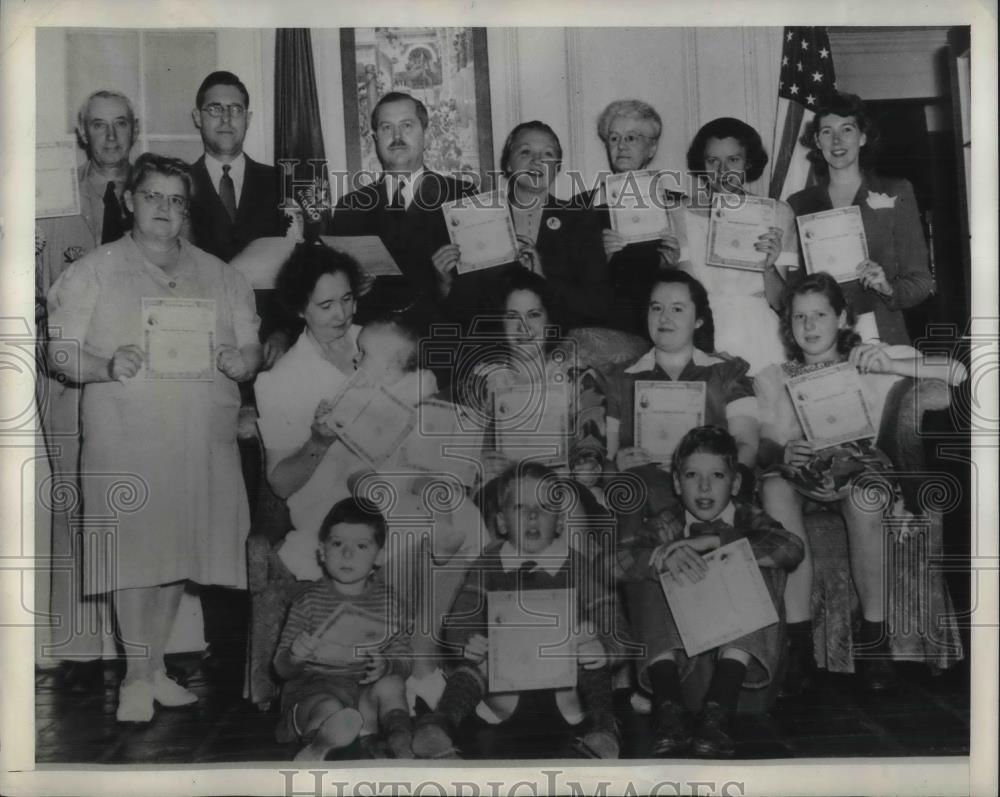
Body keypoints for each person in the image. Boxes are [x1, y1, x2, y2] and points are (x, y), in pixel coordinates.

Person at [45, 152, 262, 722]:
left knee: (180, 551)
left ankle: (155, 668)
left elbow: (251, 345)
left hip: (199, 435)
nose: (164, 209)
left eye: (175, 200)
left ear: (186, 208)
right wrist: (105, 364)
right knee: (133, 555)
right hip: (128, 434)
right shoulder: (94, 269)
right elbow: (60, 350)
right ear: (132, 201)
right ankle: (137, 678)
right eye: (153, 197)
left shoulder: (220, 273)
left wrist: (242, 363)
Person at [754, 272, 966, 694]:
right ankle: (798, 646)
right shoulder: (776, 377)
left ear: (841, 318)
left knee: (868, 496)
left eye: (820, 315)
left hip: (858, 474)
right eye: (799, 317)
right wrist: (781, 452)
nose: (810, 326)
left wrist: (893, 364)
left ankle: (875, 640)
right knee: (775, 488)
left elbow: (958, 372)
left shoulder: (865, 359)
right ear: (789, 325)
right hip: (804, 478)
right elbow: (759, 440)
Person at [410, 462, 631, 760]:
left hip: (566, 696)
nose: (532, 516)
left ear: (561, 521)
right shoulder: (489, 562)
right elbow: (462, 614)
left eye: (544, 507)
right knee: (475, 664)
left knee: (589, 644)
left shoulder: (576, 564)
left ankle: (602, 728)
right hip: (503, 695)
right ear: (501, 522)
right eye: (519, 507)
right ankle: (442, 723)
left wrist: (605, 648)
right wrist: (468, 641)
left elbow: (611, 617)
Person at [35, 89, 138, 688]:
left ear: (134, 130)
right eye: (98, 126)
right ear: (82, 133)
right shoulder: (51, 202)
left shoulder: (151, 192)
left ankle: (144, 639)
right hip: (71, 374)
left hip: (135, 373)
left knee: (134, 497)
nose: (109, 136)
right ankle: (79, 640)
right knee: (74, 499)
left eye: (120, 124)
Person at [255, 248, 438, 581]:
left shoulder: (377, 339)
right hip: (333, 505)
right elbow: (280, 484)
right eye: (326, 306)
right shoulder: (280, 380)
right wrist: (318, 441)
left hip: (398, 483)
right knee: (411, 540)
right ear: (300, 308)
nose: (341, 314)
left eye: (348, 299)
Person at [187, 71, 287, 674]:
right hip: (199, 365)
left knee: (265, 498)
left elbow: (301, 269)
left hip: (270, 361)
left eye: (236, 109)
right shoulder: (177, 186)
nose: (226, 119)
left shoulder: (280, 183)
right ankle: (225, 649)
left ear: (249, 117)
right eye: (214, 109)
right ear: (198, 117)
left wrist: (280, 333)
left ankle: (269, 643)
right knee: (214, 501)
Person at [622, 425, 803, 757]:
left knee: (752, 558)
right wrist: (661, 558)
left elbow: (792, 549)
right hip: (680, 680)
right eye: (692, 475)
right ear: (677, 483)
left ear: (734, 484)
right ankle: (669, 711)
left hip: (743, 683)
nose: (704, 486)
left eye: (717, 475)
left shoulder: (749, 518)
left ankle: (716, 715)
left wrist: (717, 541)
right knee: (647, 566)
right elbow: (613, 561)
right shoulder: (665, 523)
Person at [458, 267, 609, 523]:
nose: (523, 327)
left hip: (562, 486)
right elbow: (461, 450)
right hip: (503, 489)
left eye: (534, 314)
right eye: (512, 316)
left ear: (550, 320)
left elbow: (591, 439)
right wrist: (478, 462)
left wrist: (588, 464)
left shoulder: (578, 376)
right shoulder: (482, 380)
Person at [432, 121, 612, 331]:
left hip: (558, 345)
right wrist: (444, 283)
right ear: (508, 164)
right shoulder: (478, 218)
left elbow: (598, 305)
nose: (537, 161)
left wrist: (543, 279)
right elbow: (462, 312)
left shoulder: (579, 219)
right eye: (525, 152)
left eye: (547, 154)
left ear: (557, 167)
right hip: (494, 348)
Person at [786, 92, 935, 346]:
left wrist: (887, 287)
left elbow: (921, 281)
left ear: (863, 137)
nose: (836, 140)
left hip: (881, 334)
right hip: (820, 338)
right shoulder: (798, 204)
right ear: (817, 142)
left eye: (847, 129)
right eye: (826, 132)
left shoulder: (896, 191)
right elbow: (793, 289)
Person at [273, 497, 413, 760]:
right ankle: (320, 746)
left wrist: (388, 666)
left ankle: (401, 742)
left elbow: (405, 659)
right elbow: (281, 669)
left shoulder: (390, 602)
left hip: (362, 699)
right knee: (328, 706)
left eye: (361, 545)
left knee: (392, 685)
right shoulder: (308, 601)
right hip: (312, 695)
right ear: (322, 551)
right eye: (337, 544)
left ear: (380, 555)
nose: (347, 554)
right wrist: (294, 656)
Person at [665, 117, 797, 375]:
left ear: (748, 163)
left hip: (762, 337)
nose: (722, 171)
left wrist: (768, 269)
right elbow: (684, 292)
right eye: (713, 161)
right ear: (701, 164)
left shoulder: (777, 213)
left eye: (733, 160)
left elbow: (783, 303)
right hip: (702, 334)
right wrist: (667, 266)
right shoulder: (680, 213)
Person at [328, 91, 473, 324]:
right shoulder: (350, 208)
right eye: (386, 128)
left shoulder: (464, 196)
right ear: (375, 140)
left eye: (407, 125)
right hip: (371, 344)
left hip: (440, 339)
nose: (397, 136)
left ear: (426, 134)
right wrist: (352, 287)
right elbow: (332, 290)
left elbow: (483, 290)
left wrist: (445, 284)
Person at [572, 99, 676, 334]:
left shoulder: (676, 204)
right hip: (604, 328)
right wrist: (599, 258)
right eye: (614, 138)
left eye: (632, 138)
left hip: (662, 328)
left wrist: (673, 264)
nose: (621, 146)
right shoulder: (580, 207)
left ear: (651, 148)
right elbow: (571, 285)